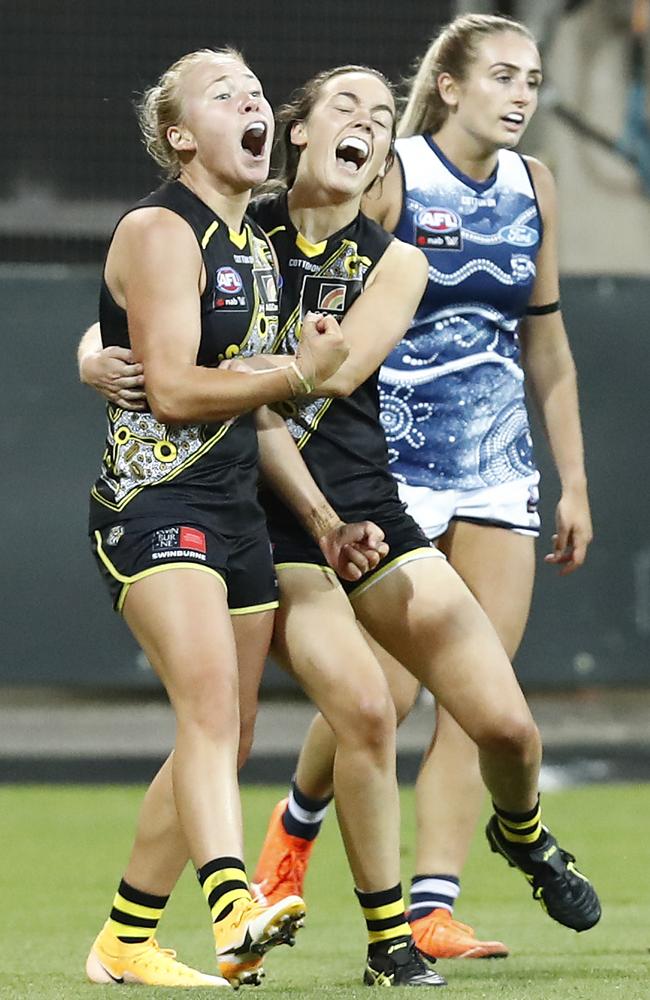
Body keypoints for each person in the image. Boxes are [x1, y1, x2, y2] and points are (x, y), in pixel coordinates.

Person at [83, 55, 600, 987]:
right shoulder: (241, 221)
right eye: (346, 105)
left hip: (359, 507)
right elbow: (156, 307)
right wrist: (97, 352)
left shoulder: (394, 259)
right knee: (347, 710)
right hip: (258, 514)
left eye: (380, 112)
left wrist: (315, 461)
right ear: (299, 132)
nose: (368, 119)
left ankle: (519, 831)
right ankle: (382, 933)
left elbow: (334, 370)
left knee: (508, 731)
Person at [252, 12, 596, 963]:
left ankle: (432, 910)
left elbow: (549, 345)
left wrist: (572, 482)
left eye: (532, 79)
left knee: (477, 702)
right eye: (502, 76)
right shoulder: (391, 170)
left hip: (496, 464)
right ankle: (295, 827)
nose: (522, 94)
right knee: (384, 697)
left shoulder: (538, 186)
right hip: (391, 463)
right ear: (448, 85)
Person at [78, 45, 380, 990]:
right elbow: (170, 388)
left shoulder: (254, 247)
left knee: (230, 734)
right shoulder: (161, 231)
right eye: (225, 95)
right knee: (208, 713)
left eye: (255, 90)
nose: (251, 101)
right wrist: (299, 373)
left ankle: (125, 939)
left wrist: (323, 518)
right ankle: (231, 904)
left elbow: (252, 404)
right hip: (152, 503)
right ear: (179, 139)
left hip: (237, 511)